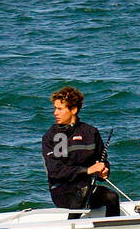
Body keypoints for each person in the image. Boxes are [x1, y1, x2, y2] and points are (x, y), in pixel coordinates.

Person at [42, 85, 120, 217]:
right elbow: (56, 172)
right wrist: (87, 170)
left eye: (60, 109)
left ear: (73, 109)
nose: (55, 113)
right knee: (82, 192)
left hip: (88, 188)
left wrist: (104, 170)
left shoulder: (91, 132)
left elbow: (102, 161)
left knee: (112, 197)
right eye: (55, 108)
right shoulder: (51, 136)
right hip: (62, 191)